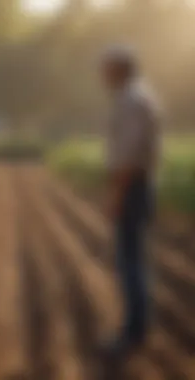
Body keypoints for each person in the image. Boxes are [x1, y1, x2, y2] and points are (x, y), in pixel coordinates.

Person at [100, 45, 161, 358]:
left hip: (132, 187)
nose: (101, 74)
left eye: (106, 68)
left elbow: (129, 154)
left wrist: (117, 195)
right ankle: (136, 327)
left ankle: (133, 332)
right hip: (137, 185)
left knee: (130, 261)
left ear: (120, 69)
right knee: (133, 259)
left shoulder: (131, 100)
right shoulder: (139, 96)